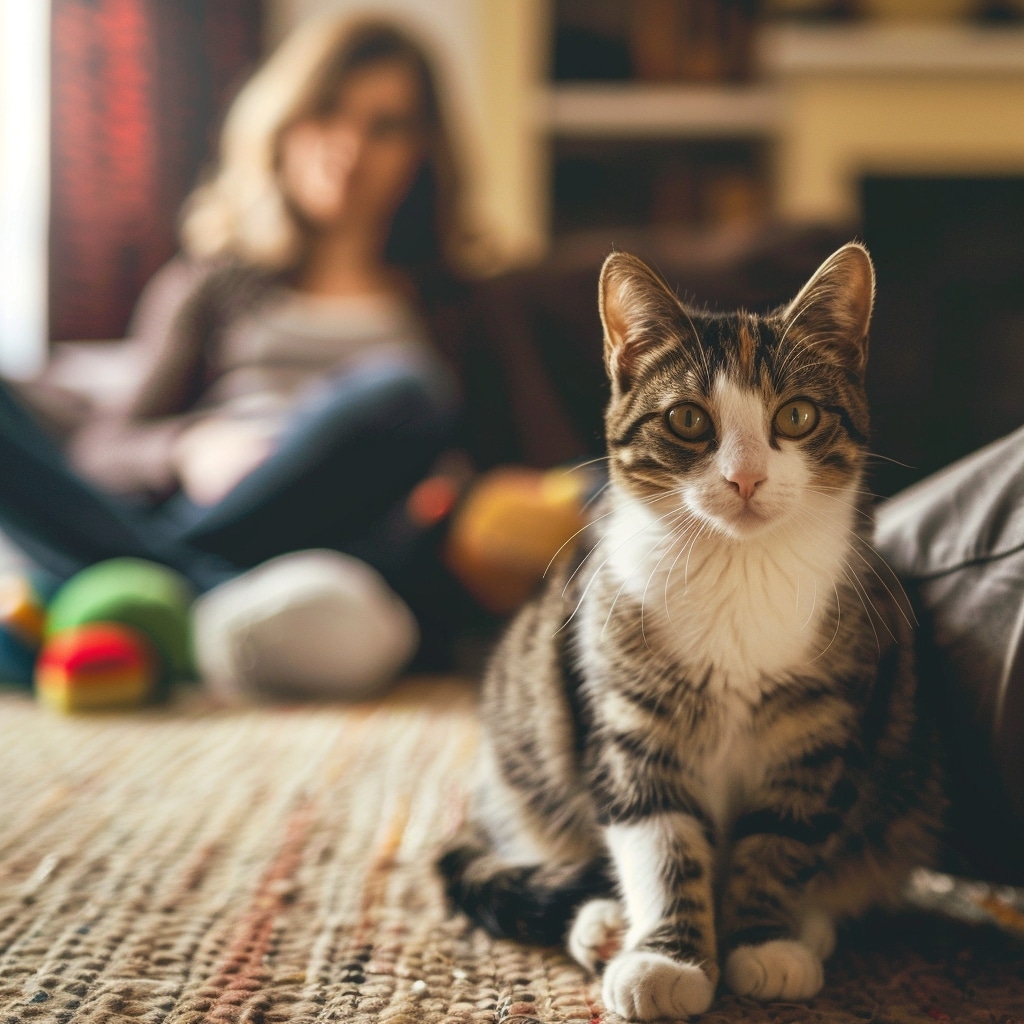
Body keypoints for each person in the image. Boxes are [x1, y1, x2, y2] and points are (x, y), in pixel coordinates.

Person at [0, 16, 523, 696]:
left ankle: (132, 591)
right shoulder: (212, 285)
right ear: (282, 124)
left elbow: (509, 460)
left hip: (363, 545)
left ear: (422, 150)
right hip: (216, 507)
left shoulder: (458, 303)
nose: (349, 148)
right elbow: (104, 449)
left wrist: (461, 495)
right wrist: (189, 448)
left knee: (405, 392)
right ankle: (188, 588)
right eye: (327, 113)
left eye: (385, 126)